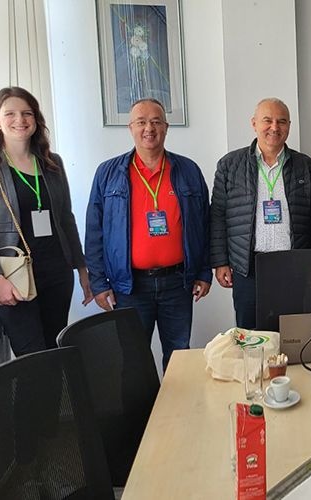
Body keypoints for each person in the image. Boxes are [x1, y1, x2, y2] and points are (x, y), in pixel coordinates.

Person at [85, 98, 211, 370]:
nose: (149, 128)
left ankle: (176, 401)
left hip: (178, 283)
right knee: (133, 362)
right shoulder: (108, 173)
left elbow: (205, 224)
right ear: (130, 128)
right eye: (141, 122)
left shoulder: (188, 170)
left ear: (166, 127)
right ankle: (142, 402)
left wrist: (204, 272)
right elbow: (94, 232)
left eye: (156, 122)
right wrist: (98, 283)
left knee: (179, 358)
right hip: (128, 286)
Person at [0, 86, 92, 356]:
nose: (20, 120)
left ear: (36, 119)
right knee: (32, 357)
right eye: (10, 113)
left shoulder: (52, 162)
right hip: (13, 276)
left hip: (57, 272)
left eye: (27, 113)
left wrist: (82, 268)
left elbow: (66, 218)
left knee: (54, 352)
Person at [210, 98, 311, 329]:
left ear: (289, 126)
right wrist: (220, 261)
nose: (274, 127)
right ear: (254, 123)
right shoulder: (230, 165)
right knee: (250, 335)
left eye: (282, 121)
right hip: (248, 267)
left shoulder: (307, 167)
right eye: (267, 120)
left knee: (293, 334)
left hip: (294, 265)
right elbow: (218, 215)